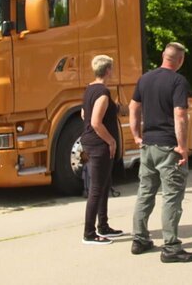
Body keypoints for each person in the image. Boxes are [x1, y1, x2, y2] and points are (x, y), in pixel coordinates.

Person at [129, 42, 192, 263]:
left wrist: (137, 135)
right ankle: (171, 247)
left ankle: (139, 239)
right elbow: (179, 115)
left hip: (148, 146)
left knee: (145, 192)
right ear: (181, 60)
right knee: (171, 197)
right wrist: (182, 146)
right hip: (168, 147)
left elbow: (133, 107)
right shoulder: (178, 81)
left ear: (163, 56)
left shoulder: (145, 78)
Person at [81, 55, 123, 245]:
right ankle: (89, 233)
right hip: (99, 145)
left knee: (104, 184)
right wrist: (111, 141)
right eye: (112, 69)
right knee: (96, 189)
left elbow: (84, 113)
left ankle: (103, 226)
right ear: (107, 70)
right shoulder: (103, 92)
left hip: (91, 142)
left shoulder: (89, 89)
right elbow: (95, 122)